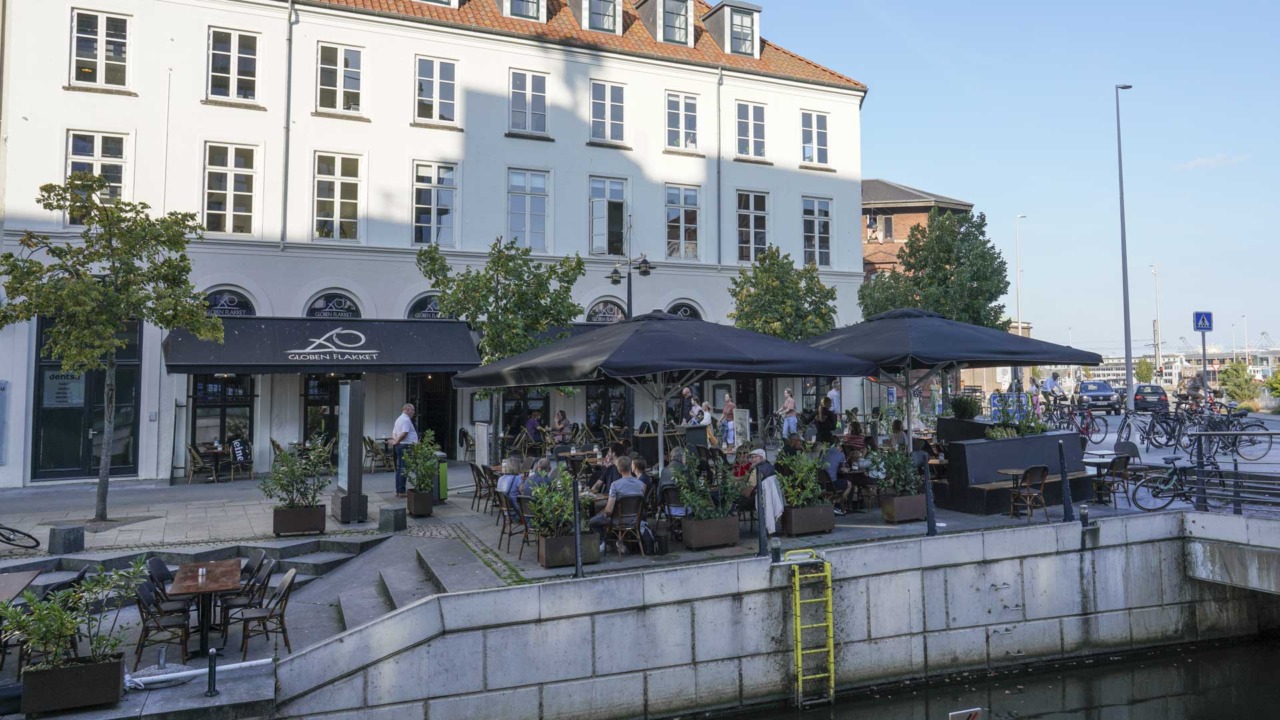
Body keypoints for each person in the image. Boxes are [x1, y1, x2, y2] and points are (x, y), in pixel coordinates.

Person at [589, 455, 646, 553]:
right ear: (630, 467)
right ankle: (619, 543)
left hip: (617, 521)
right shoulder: (641, 485)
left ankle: (604, 542)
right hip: (634, 520)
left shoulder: (615, 485)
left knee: (592, 522)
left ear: (619, 469)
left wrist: (601, 514)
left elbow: (609, 511)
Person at [390, 403, 418, 498]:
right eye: (412, 410)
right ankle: (401, 491)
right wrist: (396, 441)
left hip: (400, 446)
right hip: (406, 446)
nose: (413, 412)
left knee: (399, 469)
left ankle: (399, 490)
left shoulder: (398, 419)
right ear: (407, 410)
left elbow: (394, 433)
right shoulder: (406, 420)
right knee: (404, 469)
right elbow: (404, 433)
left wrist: (395, 441)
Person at [822, 444, 850, 515]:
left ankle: (834, 503)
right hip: (832, 483)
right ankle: (838, 504)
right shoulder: (840, 454)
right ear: (838, 446)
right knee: (849, 484)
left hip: (821, 483)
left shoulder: (823, 452)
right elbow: (844, 469)